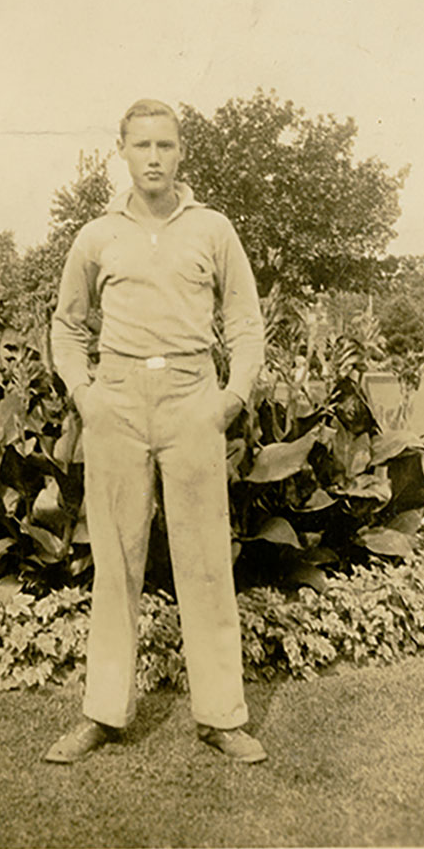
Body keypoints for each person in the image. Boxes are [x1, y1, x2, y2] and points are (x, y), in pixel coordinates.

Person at [44, 98, 267, 765]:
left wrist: (230, 399)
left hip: (192, 398)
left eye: (165, 145)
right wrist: (84, 393)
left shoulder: (213, 229)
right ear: (121, 149)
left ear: (181, 154)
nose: (153, 158)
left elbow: (245, 322)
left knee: (203, 561)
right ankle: (104, 713)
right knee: (116, 562)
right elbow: (66, 325)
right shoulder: (96, 236)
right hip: (115, 398)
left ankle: (221, 716)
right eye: (141, 145)